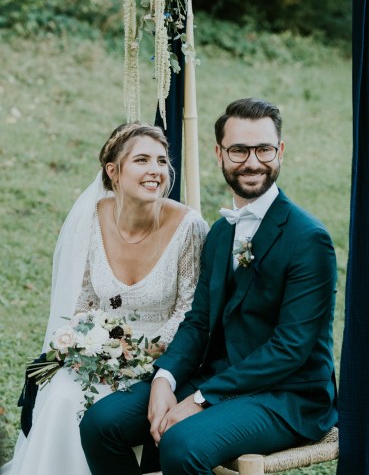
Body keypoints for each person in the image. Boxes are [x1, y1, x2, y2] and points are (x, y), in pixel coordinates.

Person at [80, 98, 338, 475]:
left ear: (280, 150)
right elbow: (199, 320)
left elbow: (290, 349)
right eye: (238, 150)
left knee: (182, 444)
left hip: (288, 395)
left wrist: (200, 398)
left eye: (264, 149)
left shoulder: (309, 239)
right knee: (102, 423)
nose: (252, 161)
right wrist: (165, 379)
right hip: (218, 376)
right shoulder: (219, 234)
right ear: (219, 154)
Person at [2, 122, 208, 475]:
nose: (155, 170)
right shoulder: (94, 218)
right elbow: (84, 299)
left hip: (162, 360)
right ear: (113, 171)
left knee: (98, 408)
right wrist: (89, 345)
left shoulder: (188, 225)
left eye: (161, 161)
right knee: (61, 395)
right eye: (141, 160)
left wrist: (140, 353)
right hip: (101, 354)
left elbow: (189, 309)